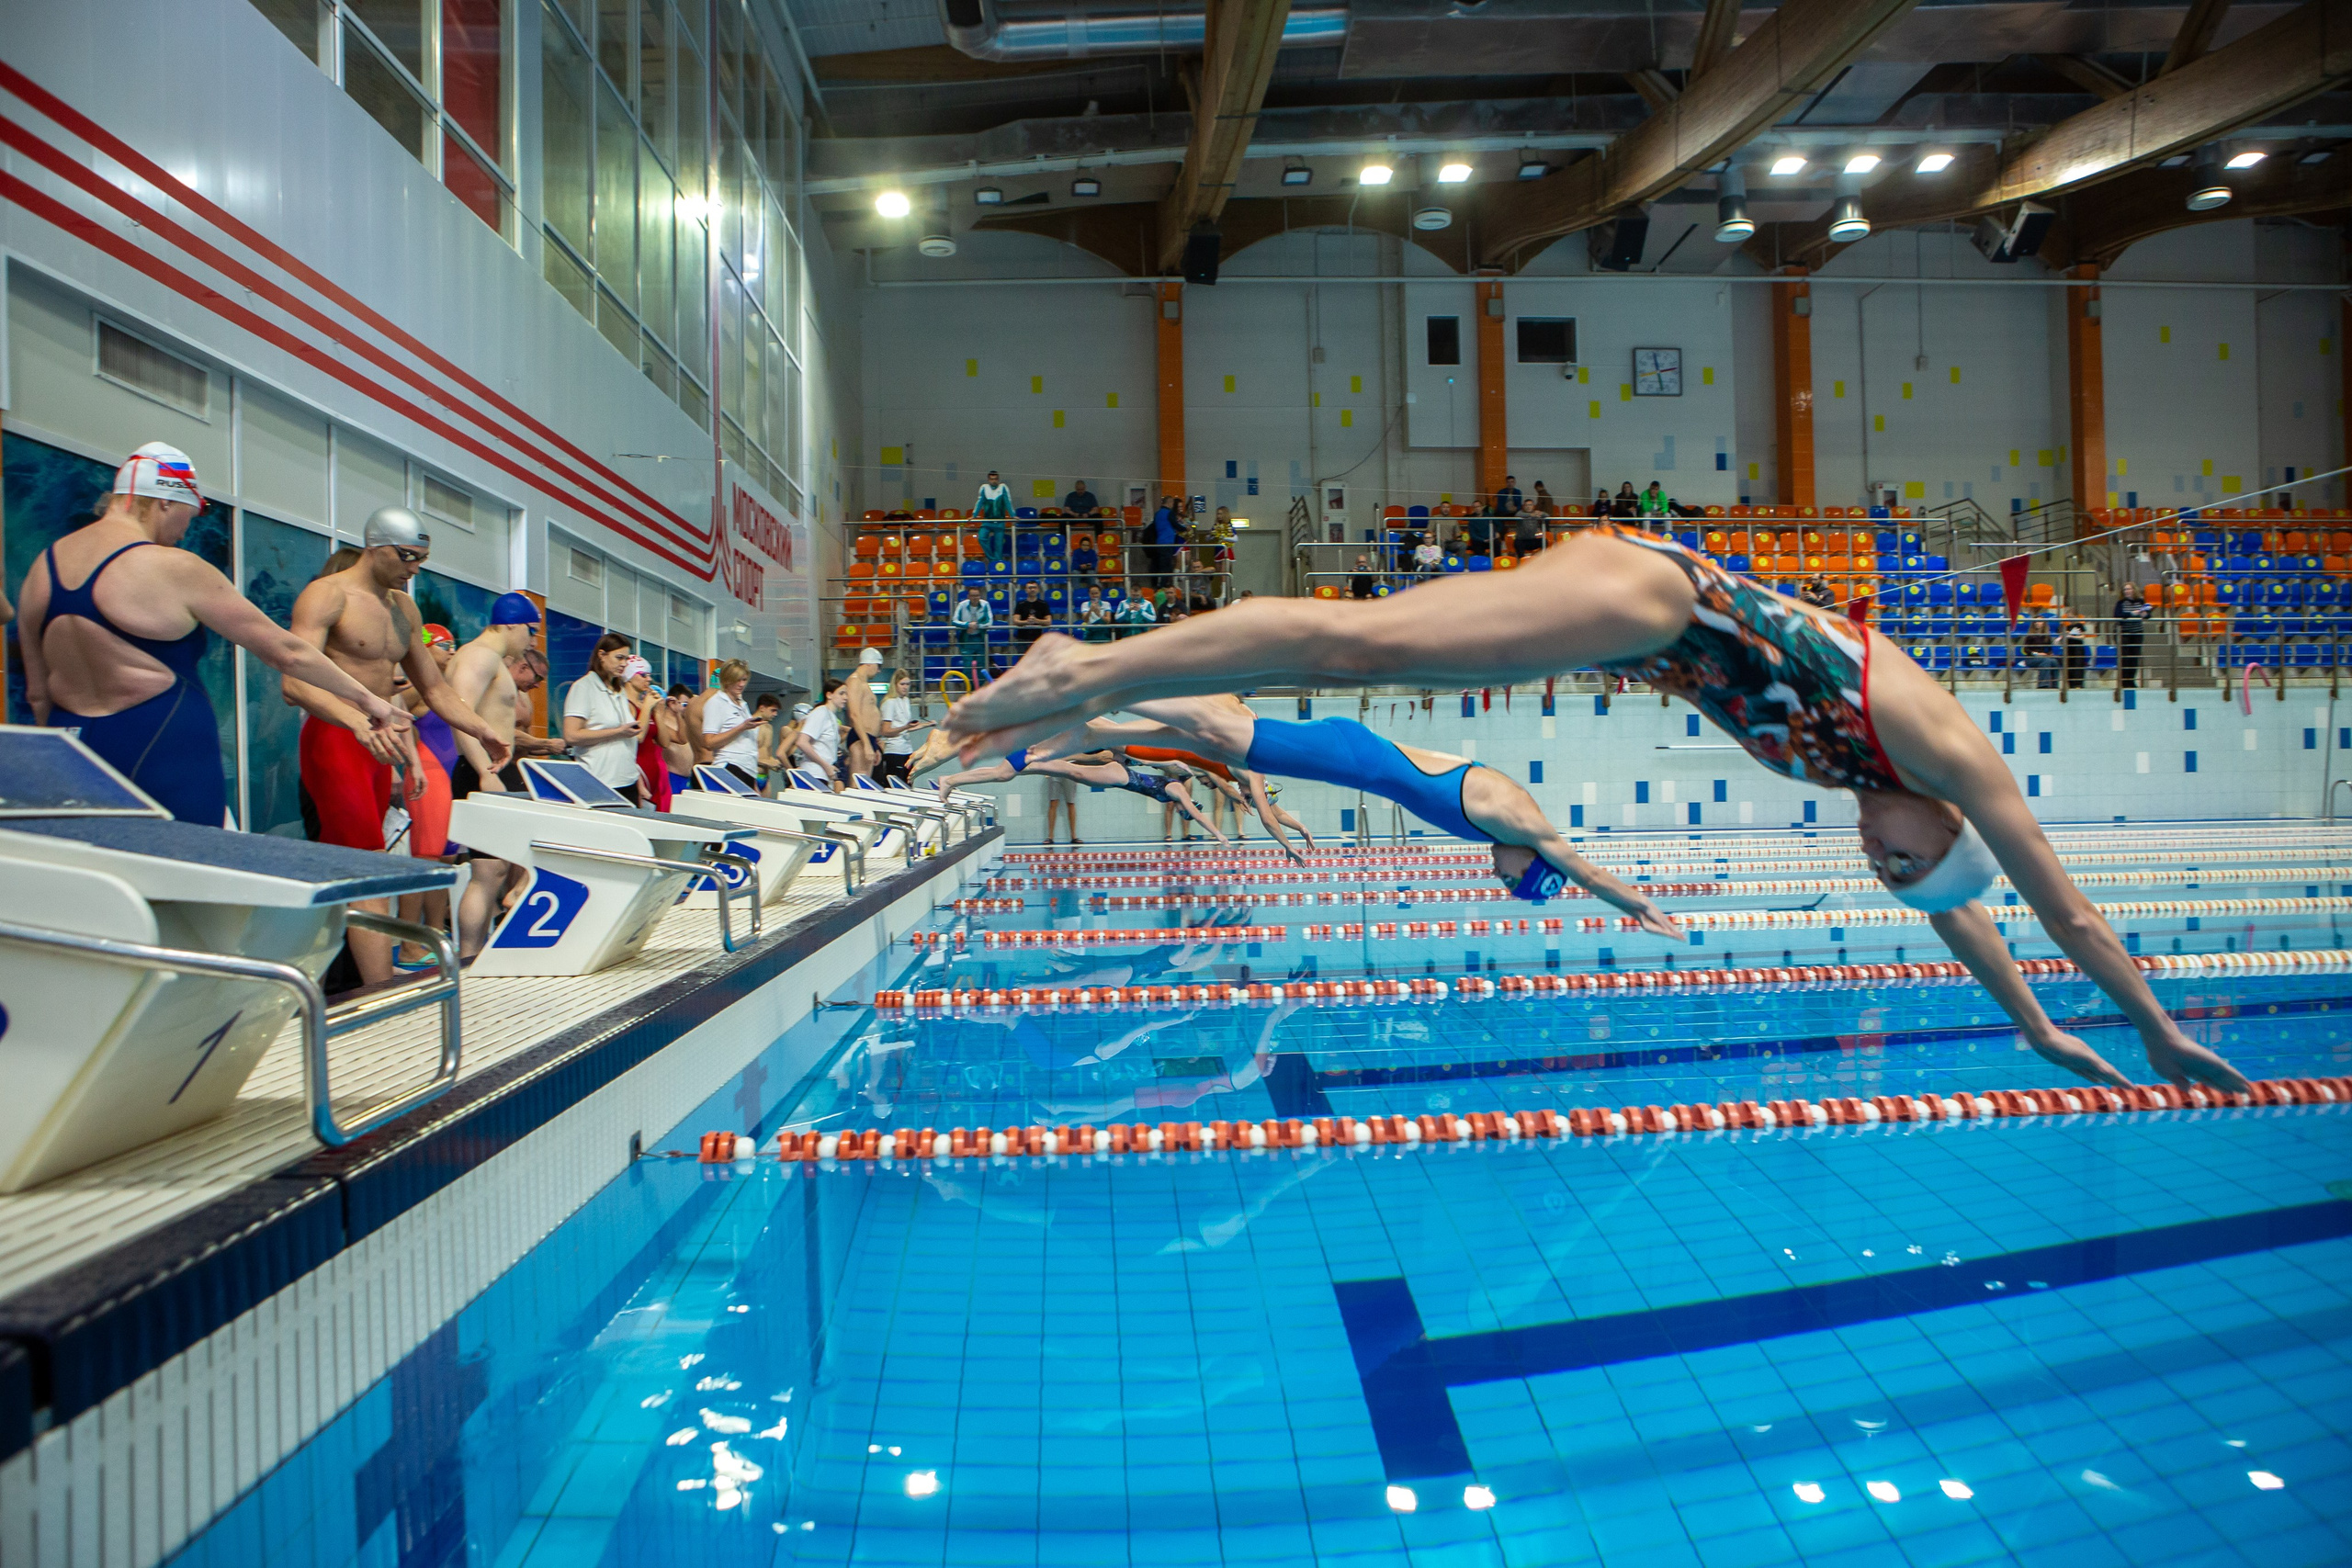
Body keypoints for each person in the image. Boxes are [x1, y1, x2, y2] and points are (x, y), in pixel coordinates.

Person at [944, 525, 2254, 1099]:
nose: (1876, 851)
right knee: (1363, 650)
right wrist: (2153, 1025)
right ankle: (1086, 666)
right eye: (1897, 859)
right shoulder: (1951, 753)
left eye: (1881, 869)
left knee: (1368, 653)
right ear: (1947, 831)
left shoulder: (1889, 797)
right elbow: (2057, 909)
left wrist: (2032, 1030)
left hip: (1634, 624)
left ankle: (1084, 692)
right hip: (1654, 599)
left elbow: (1970, 927)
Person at [16, 444, 414, 825]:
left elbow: (38, 693)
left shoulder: (43, 570)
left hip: (72, 744)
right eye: (191, 515)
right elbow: (286, 652)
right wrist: (368, 701)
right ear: (165, 501)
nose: (185, 531)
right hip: (162, 744)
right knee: (192, 882)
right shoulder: (173, 567)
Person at [1075, 698, 1679, 934]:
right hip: (1352, 755)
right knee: (1223, 735)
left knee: (1217, 743)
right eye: (1511, 879)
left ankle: (1097, 725)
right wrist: (1642, 908)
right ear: (1532, 863)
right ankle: (1115, 684)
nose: (1499, 877)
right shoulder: (1522, 821)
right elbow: (1586, 870)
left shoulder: (1505, 830)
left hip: (1351, 759)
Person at [283, 506, 507, 984]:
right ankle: (379, 991)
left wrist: (480, 730)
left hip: (380, 744)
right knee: (365, 864)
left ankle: (347, 978)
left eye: (421, 558)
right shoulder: (327, 596)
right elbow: (294, 684)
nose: (415, 568)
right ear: (376, 546)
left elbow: (437, 690)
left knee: (372, 862)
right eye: (408, 556)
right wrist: (355, 720)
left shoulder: (403, 608)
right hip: (336, 738)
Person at [440, 597, 548, 957]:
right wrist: (485, 772)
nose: (532, 642)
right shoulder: (480, 656)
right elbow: (459, 713)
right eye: (531, 632)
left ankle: (477, 952)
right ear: (512, 624)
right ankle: (469, 957)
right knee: (486, 875)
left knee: (498, 872)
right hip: (481, 770)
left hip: (491, 768)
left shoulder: (492, 660)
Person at [563, 633, 650, 804]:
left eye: (626, 659)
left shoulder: (619, 691)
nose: (624, 664)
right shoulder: (584, 688)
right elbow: (571, 736)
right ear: (601, 655)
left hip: (627, 781)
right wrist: (618, 732)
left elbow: (632, 739)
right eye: (619, 658)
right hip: (600, 782)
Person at [699, 659, 766, 790]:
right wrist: (742, 727)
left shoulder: (742, 704)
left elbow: (747, 746)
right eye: (737, 680)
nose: (741, 684)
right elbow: (709, 742)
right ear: (727, 680)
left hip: (748, 770)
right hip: (730, 767)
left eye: (744, 680)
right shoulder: (716, 703)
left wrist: (753, 783)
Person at [620, 656, 673, 811]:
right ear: (629, 677)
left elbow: (665, 742)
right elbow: (638, 737)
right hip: (637, 776)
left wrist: (657, 712)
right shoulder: (626, 706)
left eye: (649, 675)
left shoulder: (646, 706)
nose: (649, 679)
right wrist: (646, 708)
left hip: (654, 777)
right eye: (644, 675)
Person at [876, 669, 930, 784]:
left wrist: (927, 725)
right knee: (897, 786)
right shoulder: (889, 702)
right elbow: (885, 731)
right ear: (895, 685)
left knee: (908, 783)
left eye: (908, 684)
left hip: (907, 750)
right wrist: (905, 727)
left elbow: (908, 727)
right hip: (895, 751)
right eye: (902, 684)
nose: (905, 687)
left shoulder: (905, 701)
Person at [795, 677, 849, 787]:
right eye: (841, 693)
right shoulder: (820, 712)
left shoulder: (832, 717)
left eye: (846, 694)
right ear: (829, 695)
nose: (845, 698)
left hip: (823, 774)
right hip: (814, 774)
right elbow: (802, 742)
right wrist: (825, 766)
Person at [844, 647, 888, 782]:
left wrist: (873, 744)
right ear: (869, 663)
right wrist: (867, 744)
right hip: (860, 739)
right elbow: (854, 714)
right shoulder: (854, 681)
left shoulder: (863, 683)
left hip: (868, 738)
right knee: (857, 787)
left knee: (865, 786)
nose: (879, 670)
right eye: (878, 666)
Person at [658, 682, 698, 796]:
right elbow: (681, 739)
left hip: (686, 778)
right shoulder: (663, 721)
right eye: (684, 704)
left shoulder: (683, 722)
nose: (686, 708)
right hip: (671, 776)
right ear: (671, 703)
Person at [2114, 584, 2153, 690]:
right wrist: (2132, 613)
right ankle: (2125, 681)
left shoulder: (2140, 601)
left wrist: (2145, 614)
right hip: (2124, 632)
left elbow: (2148, 615)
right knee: (2125, 658)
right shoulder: (2121, 602)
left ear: (2133, 590)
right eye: (2125, 589)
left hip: (2137, 632)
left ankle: (2131, 680)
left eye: (2129, 589)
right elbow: (2117, 615)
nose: (2127, 591)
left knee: (2134, 657)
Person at [952, 586, 993, 680]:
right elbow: (954, 621)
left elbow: (989, 622)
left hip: (981, 639)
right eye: (972, 595)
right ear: (968, 596)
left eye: (977, 595)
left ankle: (981, 692)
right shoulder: (962, 605)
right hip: (966, 639)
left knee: (982, 666)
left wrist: (976, 625)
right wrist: (967, 625)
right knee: (968, 667)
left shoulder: (985, 604)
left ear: (980, 596)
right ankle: (969, 691)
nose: (975, 598)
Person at [974, 470, 1013, 561]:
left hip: (1000, 521)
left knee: (998, 546)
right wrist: (974, 515)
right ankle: (992, 559)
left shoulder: (1003, 487)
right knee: (981, 538)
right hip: (987, 521)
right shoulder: (984, 488)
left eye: (995, 479)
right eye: (992, 479)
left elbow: (1008, 502)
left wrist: (1012, 515)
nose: (994, 481)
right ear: (988, 480)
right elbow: (980, 502)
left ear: (998, 479)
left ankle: (997, 565)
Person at [1144, 496, 1182, 588]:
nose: (1173, 506)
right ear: (1169, 503)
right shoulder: (1169, 513)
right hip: (1167, 542)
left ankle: (1158, 586)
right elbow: (1175, 525)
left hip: (1158, 544)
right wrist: (1185, 528)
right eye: (1172, 503)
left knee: (1159, 566)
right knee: (1166, 566)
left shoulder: (1157, 514)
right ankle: (1162, 586)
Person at [1012, 582, 1053, 648]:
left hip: (1038, 639)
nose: (1032, 589)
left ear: (1038, 590)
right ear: (1026, 590)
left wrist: (1036, 621)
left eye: (1034, 587)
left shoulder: (1043, 604)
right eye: (1030, 588)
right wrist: (1027, 622)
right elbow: (1015, 621)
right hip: (1022, 639)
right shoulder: (1020, 604)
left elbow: (1048, 621)